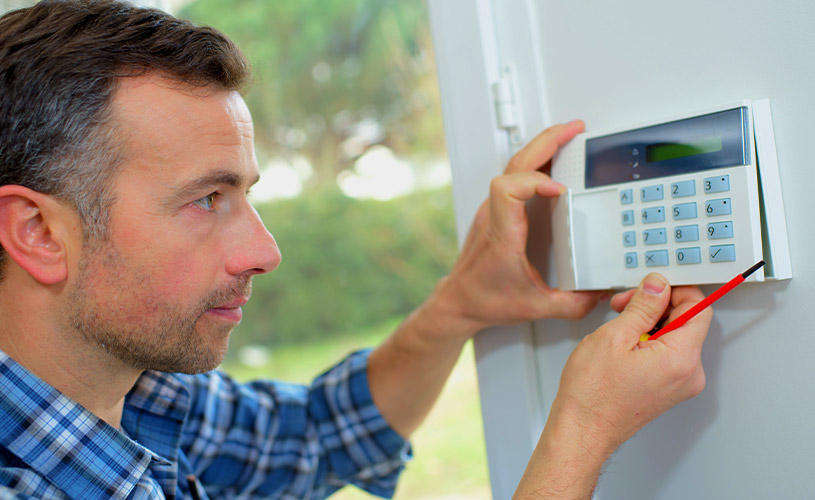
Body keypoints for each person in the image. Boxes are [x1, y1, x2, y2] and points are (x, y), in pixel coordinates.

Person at [0, 1, 712, 499]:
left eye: (245, 194)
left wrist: (460, 304)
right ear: (37, 232)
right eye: (205, 200)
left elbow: (313, 437)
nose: (263, 251)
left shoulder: (142, 395)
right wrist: (582, 432)